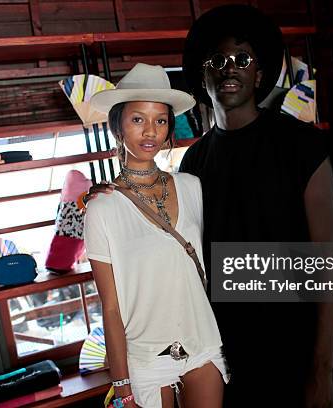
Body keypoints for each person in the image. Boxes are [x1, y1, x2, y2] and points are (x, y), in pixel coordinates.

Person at [180, 5, 333, 407]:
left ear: (260, 74)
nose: (229, 68)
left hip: (295, 350)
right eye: (217, 60)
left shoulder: (302, 145)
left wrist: (322, 368)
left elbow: (329, 258)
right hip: (226, 357)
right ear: (204, 77)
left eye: (242, 58)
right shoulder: (192, 163)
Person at [84, 63, 229, 408]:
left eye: (160, 121)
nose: (150, 131)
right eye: (137, 119)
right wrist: (122, 387)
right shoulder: (102, 208)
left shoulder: (191, 186)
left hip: (201, 341)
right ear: (117, 125)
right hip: (145, 357)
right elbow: (112, 307)